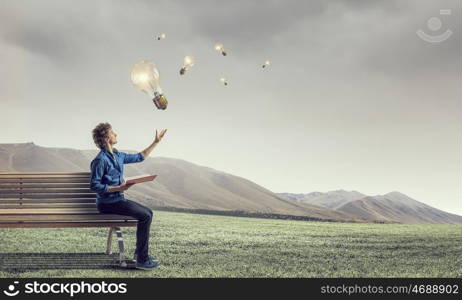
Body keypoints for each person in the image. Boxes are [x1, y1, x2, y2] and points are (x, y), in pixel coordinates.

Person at [89, 122, 167, 270]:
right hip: (107, 204)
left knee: (148, 213)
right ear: (106, 138)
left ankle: (139, 255)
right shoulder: (100, 160)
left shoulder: (118, 155)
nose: (116, 134)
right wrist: (118, 188)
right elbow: (95, 186)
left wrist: (156, 142)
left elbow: (140, 157)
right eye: (113, 133)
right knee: (145, 215)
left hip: (118, 200)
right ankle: (142, 260)